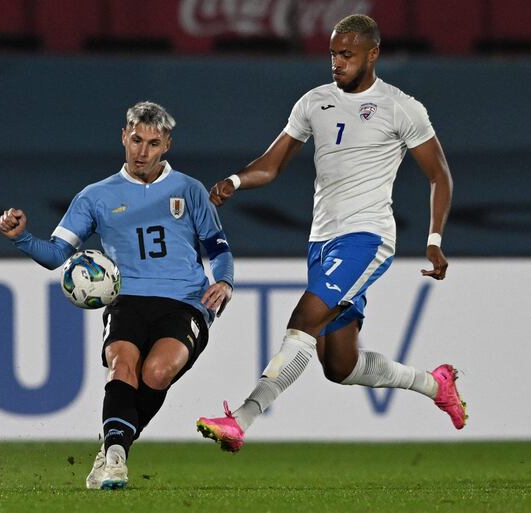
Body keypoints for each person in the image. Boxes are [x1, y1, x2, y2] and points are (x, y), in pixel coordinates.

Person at [196, 14, 465, 453]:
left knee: (303, 320)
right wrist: (235, 181)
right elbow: (272, 164)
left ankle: (240, 419)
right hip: (323, 241)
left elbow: (440, 176)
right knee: (339, 365)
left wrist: (434, 239)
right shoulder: (313, 102)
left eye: (347, 55)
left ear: (372, 54)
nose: (336, 63)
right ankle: (436, 386)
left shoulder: (400, 106)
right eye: (333, 54)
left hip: (368, 237)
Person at [0, 101, 234, 488]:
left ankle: (113, 442)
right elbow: (57, 255)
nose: (142, 151)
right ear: (124, 135)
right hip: (128, 301)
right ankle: (116, 457)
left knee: (157, 372)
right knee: (122, 368)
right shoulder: (95, 196)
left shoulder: (189, 191)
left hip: (186, 302)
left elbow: (218, 249)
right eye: (136, 140)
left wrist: (224, 281)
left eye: (153, 143)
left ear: (167, 145)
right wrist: (20, 237)